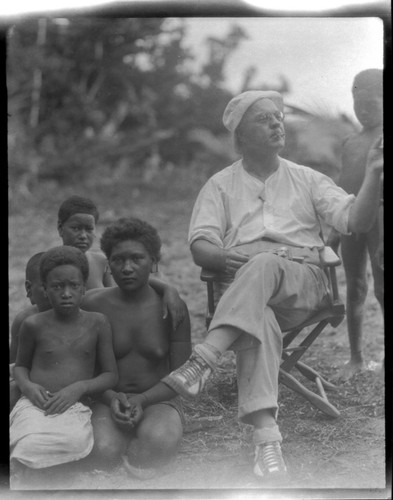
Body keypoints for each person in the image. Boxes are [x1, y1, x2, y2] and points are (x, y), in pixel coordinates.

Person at [161, 90, 383, 482]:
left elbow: (357, 222)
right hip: (246, 297)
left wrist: (374, 175)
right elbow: (200, 243)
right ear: (241, 136)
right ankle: (267, 443)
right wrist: (217, 256)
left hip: (305, 285)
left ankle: (205, 359)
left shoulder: (307, 178)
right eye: (264, 119)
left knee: (264, 262)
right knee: (257, 318)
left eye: (278, 116)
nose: (277, 123)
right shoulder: (220, 185)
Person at [81, 217, 191, 478]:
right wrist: (110, 398)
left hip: (159, 400)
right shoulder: (92, 305)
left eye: (137, 259)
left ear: (154, 261)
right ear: (109, 263)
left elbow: (182, 374)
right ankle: (120, 442)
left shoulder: (173, 308)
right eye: (118, 260)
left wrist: (143, 399)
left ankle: (145, 438)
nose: (127, 267)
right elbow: (83, 367)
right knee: (102, 450)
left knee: (158, 444)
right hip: (107, 399)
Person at [10, 246, 118, 471]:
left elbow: (110, 375)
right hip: (34, 404)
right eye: (58, 287)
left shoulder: (98, 323)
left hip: (74, 405)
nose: (66, 293)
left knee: (75, 441)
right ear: (46, 289)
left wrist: (79, 387)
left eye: (74, 286)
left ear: (84, 289)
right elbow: (20, 367)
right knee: (27, 441)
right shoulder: (33, 325)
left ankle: (49, 469)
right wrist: (28, 386)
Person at [328, 69, 384, 378]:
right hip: (351, 221)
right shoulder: (350, 142)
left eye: (371, 103)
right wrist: (336, 228)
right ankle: (356, 357)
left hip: (380, 222)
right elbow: (343, 188)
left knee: (383, 289)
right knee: (355, 288)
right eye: (357, 103)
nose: (363, 109)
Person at [57, 195, 185, 329]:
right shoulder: (51, 264)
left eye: (89, 229)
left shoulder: (101, 262)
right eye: (76, 229)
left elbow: (123, 287)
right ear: (60, 228)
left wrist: (168, 289)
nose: (83, 236)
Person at [9, 253, 52, 410]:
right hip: (30, 385)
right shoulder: (24, 320)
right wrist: (26, 384)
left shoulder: (82, 318)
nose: (56, 292)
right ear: (29, 289)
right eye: (46, 286)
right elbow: (14, 365)